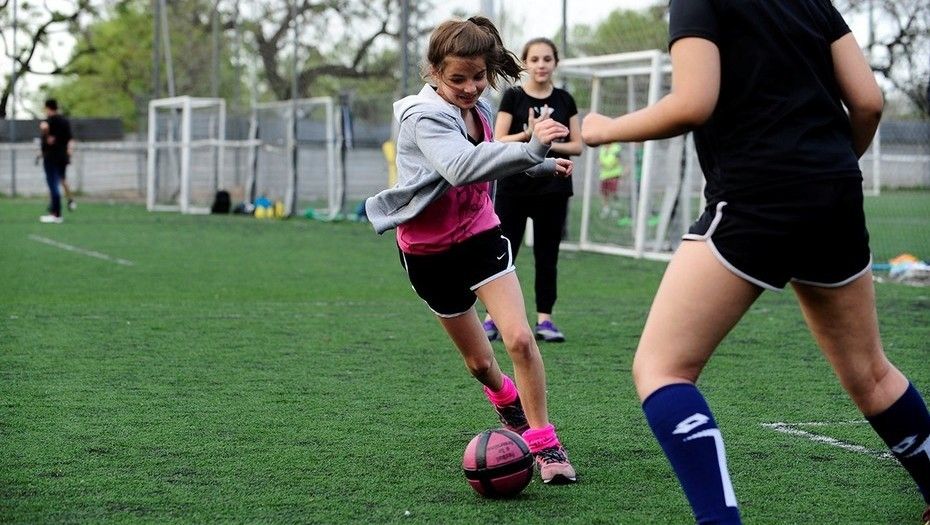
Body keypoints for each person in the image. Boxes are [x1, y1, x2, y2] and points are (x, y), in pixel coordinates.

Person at [582, 1, 929, 523]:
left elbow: (694, 102)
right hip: (834, 191)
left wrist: (604, 128)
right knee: (871, 373)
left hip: (756, 193)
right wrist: (825, 171)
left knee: (663, 368)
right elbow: (869, 102)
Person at [365, 16, 577, 484]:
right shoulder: (422, 118)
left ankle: (545, 443)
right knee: (481, 363)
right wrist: (533, 150)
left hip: (481, 235)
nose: (469, 87)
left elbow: (492, 160)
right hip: (428, 251)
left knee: (520, 339)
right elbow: (462, 167)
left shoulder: (480, 111)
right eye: (457, 79)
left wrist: (540, 169)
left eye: (477, 77)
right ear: (434, 72)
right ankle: (505, 399)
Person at [482, 37, 583, 344]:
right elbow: (498, 141)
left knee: (547, 255)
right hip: (514, 187)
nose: (541, 65)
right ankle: (493, 319)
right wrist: (530, 134)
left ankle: (545, 320)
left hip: (553, 189)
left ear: (555, 63)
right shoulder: (513, 97)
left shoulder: (565, 100)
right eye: (535, 59)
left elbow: (577, 144)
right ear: (526, 63)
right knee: (504, 252)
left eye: (547, 59)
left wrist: (548, 141)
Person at [39, 98, 75, 223]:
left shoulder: (48, 121)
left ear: (47, 108)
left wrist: (45, 131)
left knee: (53, 184)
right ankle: (65, 203)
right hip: (62, 156)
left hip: (51, 156)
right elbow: (70, 138)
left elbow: (45, 129)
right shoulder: (65, 121)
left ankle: (56, 213)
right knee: (61, 180)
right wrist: (69, 151)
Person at [598, 142, 623, 218]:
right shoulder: (602, 148)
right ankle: (606, 209)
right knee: (604, 193)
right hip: (604, 175)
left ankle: (615, 210)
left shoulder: (617, 147)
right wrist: (604, 164)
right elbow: (599, 160)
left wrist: (606, 164)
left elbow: (616, 161)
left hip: (614, 174)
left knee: (613, 193)